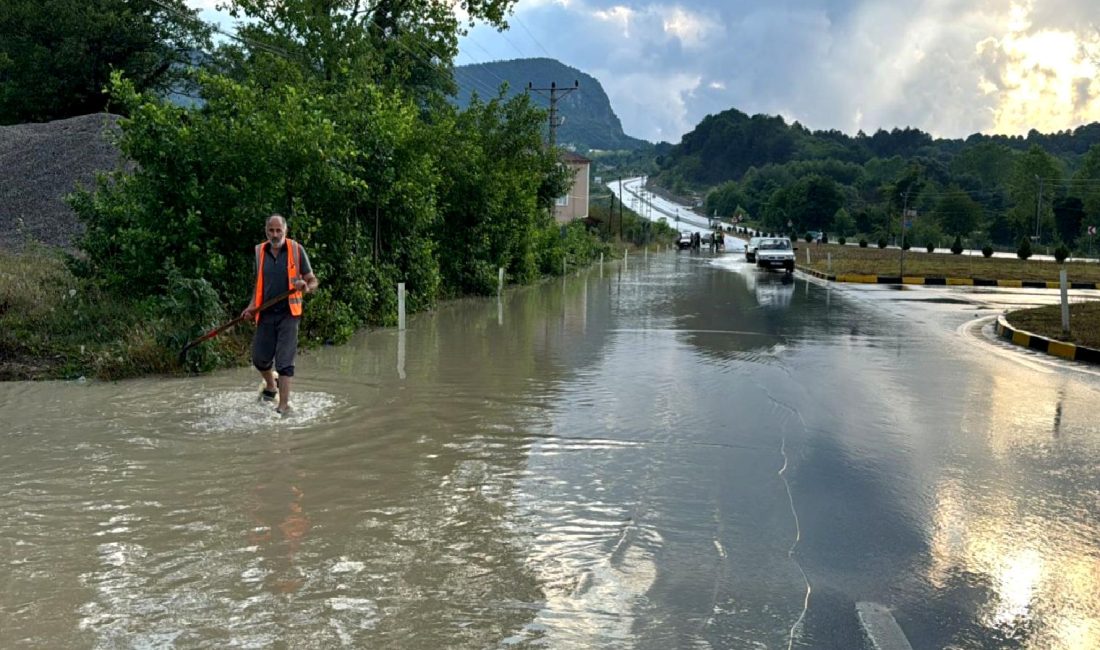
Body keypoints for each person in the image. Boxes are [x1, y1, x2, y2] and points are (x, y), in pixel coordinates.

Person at [241, 214, 319, 417]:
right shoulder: (259, 251)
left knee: (284, 362)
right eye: (271, 231)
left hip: (289, 314)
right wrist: (250, 308)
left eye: (278, 231)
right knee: (259, 359)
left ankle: (282, 406)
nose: (275, 235)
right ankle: (270, 385)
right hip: (265, 314)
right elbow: (258, 286)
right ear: (266, 231)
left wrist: (305, 288)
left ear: (285, 231)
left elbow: (312, 280)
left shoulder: (296, 249)